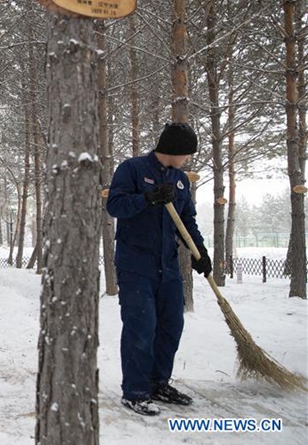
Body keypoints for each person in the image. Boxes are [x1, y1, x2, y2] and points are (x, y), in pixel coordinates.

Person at [106, 122, 212, 416]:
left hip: (168, 267)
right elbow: (115, 205)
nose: (188, 159)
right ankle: (136, 392)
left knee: (171, 326)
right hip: (136, 264)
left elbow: (187, 220)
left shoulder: (180, 180)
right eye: (187, 154)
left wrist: (200, 251)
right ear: (174, 150)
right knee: (141, 327)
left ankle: (158, 383)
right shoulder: (132, 169)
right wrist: (147, 198)